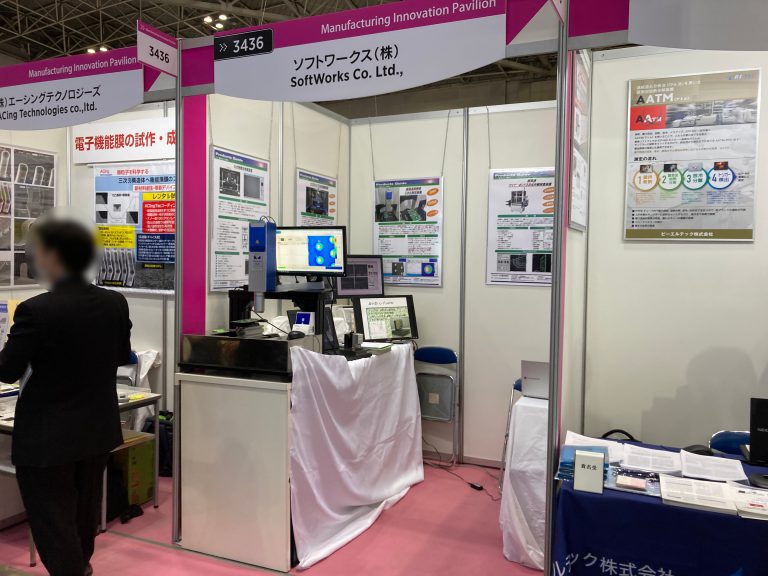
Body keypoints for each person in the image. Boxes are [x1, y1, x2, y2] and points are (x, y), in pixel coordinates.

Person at [0, 218, 132, 576]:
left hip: (47, 438)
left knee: (53, 525)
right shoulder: (115, 302)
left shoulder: (36, 310)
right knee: (82, 518)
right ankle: (81, 568)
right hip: (97, 430)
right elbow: (122, 355)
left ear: (53, 256)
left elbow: (7, 370)